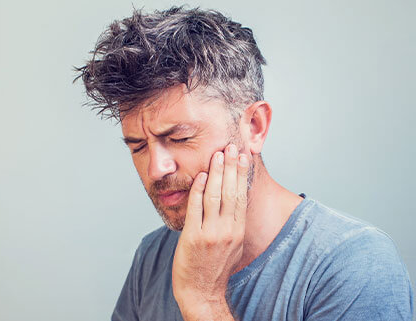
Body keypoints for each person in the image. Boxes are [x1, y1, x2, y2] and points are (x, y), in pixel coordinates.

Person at [75, 6, 413, 321]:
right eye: (137, 147)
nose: (155, 169)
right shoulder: (152, 256)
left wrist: (203, 299)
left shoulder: (355, 264)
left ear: (254, 127)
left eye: (179, 138)